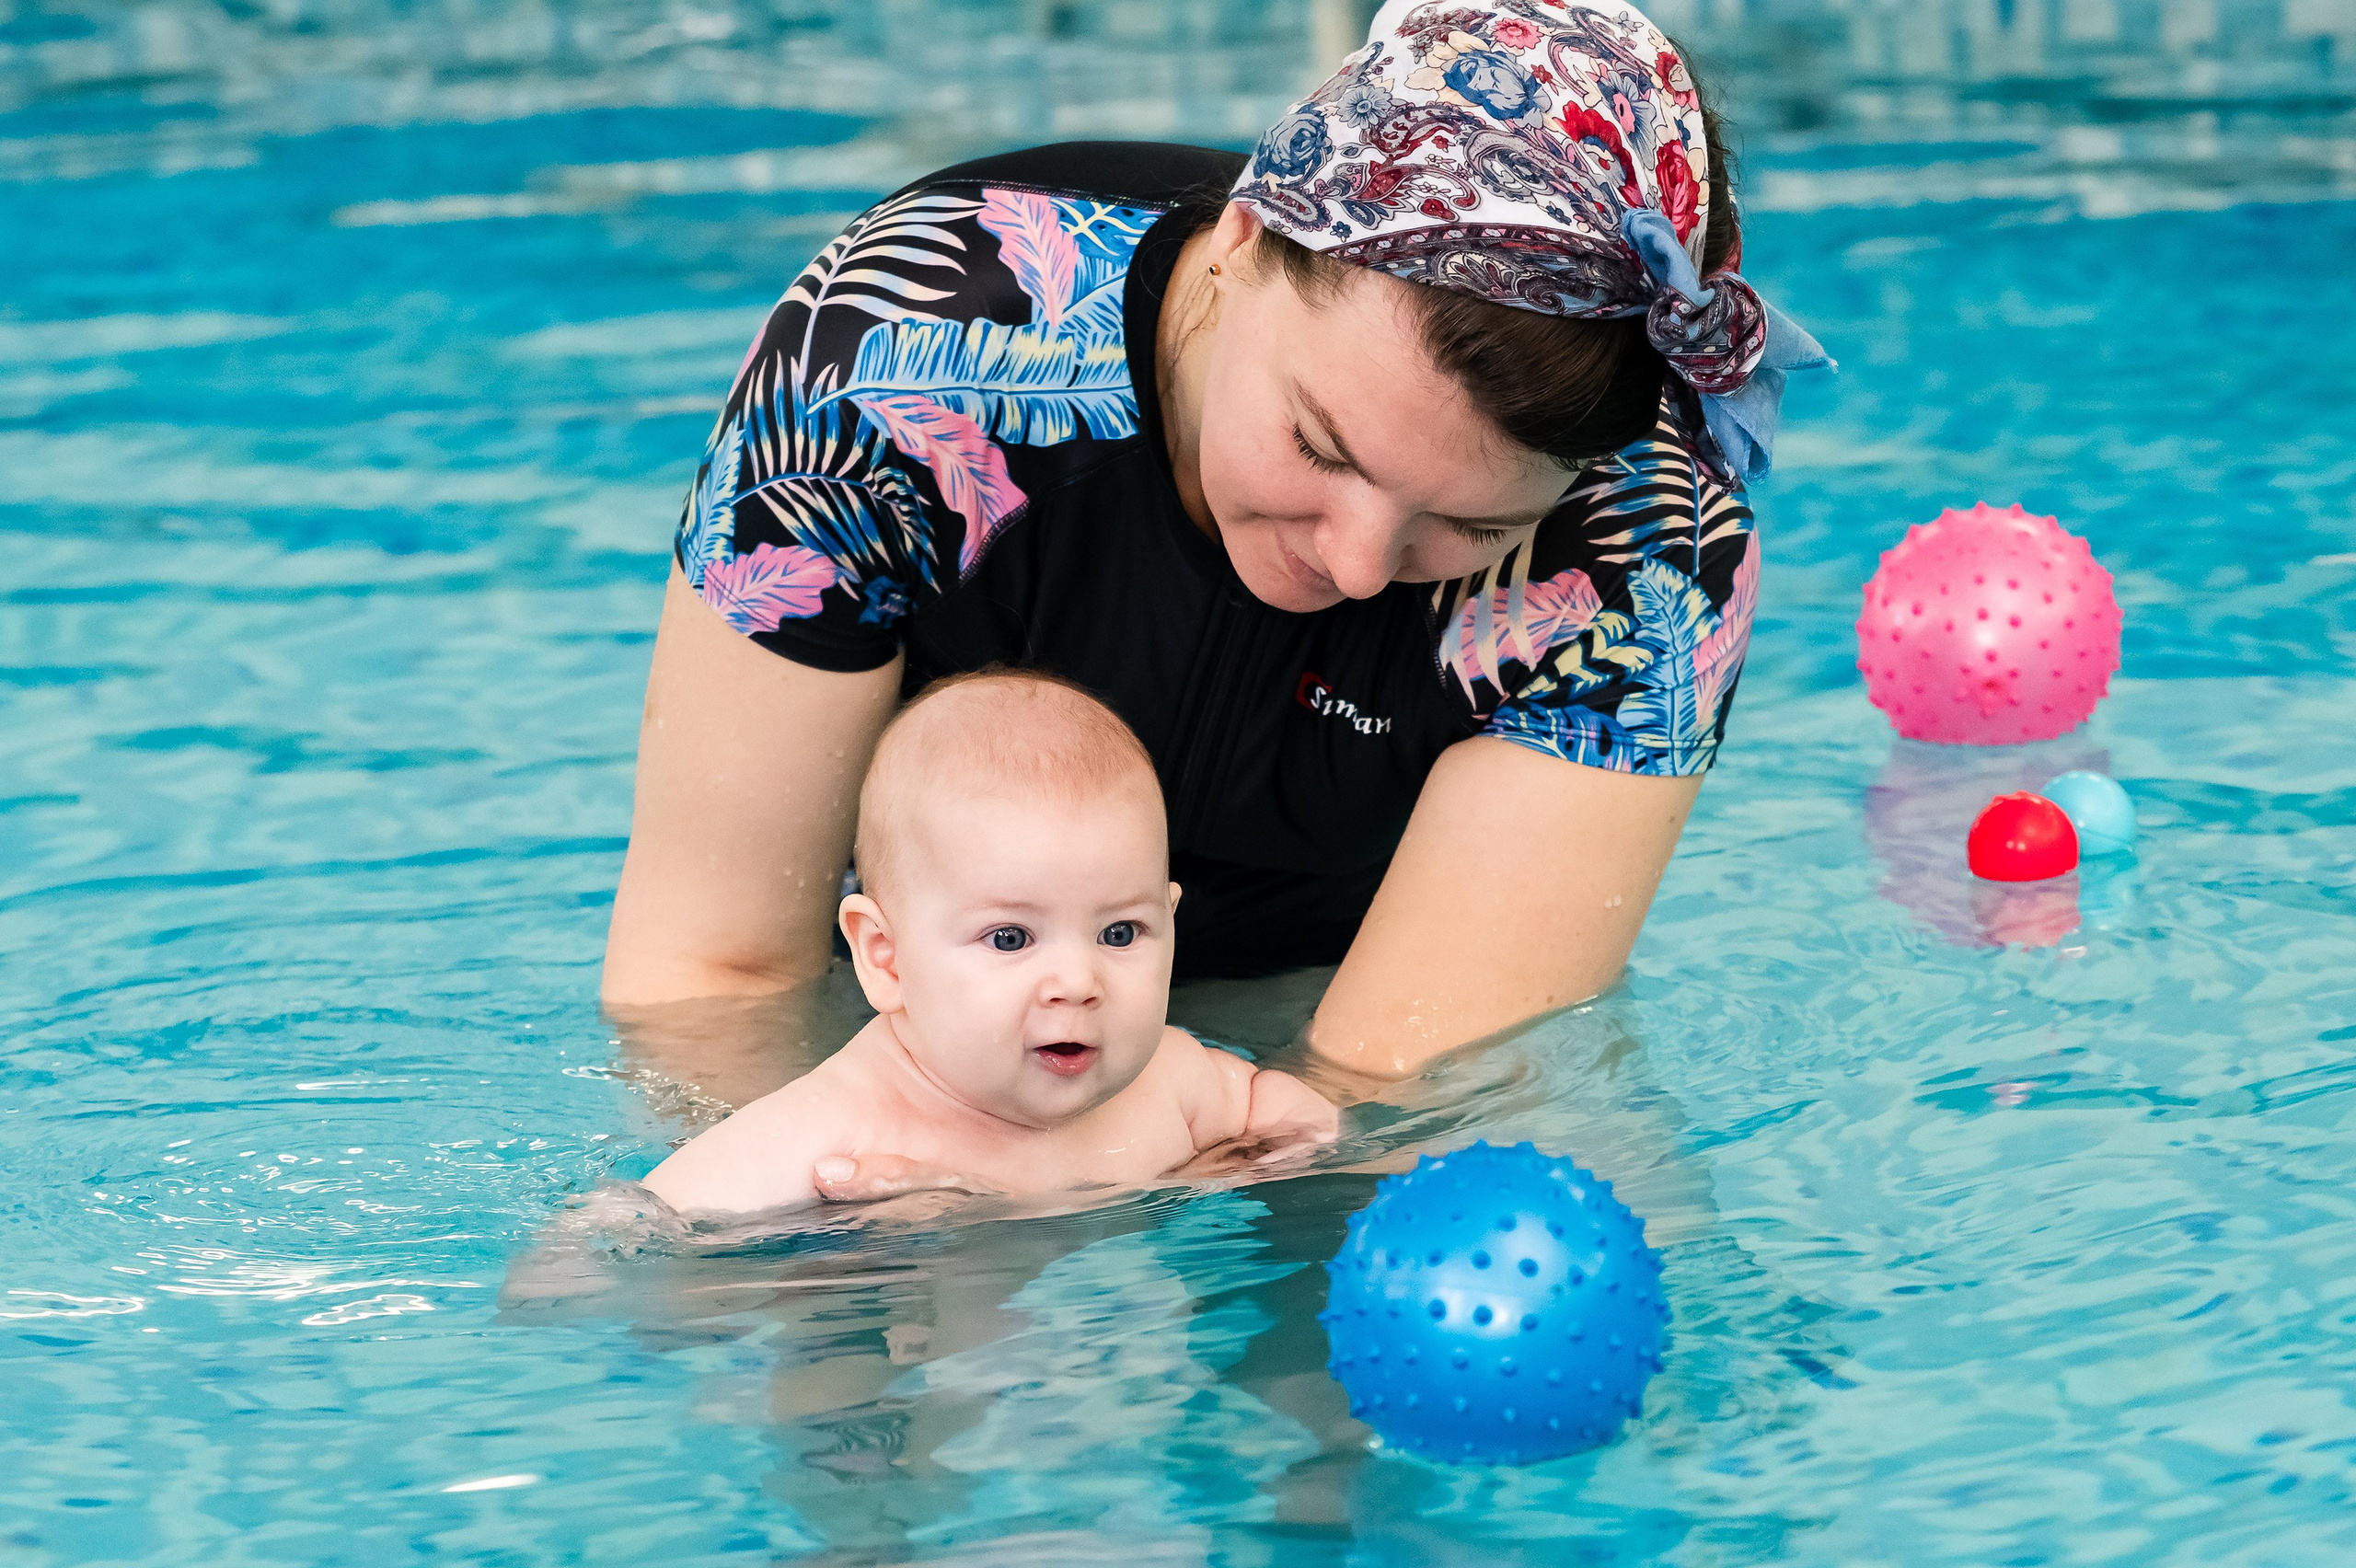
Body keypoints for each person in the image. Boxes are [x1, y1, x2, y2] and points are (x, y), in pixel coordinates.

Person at [604, 0, 1830, 1140]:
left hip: (1322, 1021)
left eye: (1469, 531)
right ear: (1243, 234)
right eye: (1317, 446)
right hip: (926, 1023)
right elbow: (713, 981)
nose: (1355, 568)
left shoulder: (1650, 552)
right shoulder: (903, 356)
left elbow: (1393, 1092)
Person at [641, 671, 1338, 1216]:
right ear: (885, 957)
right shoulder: (831, 1133)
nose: (1077, 980)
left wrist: (1247, 1164)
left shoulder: (1170, 1083)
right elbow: (630, 1237)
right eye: (1010, 938)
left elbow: (1277, 1107)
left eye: (1119, 933)